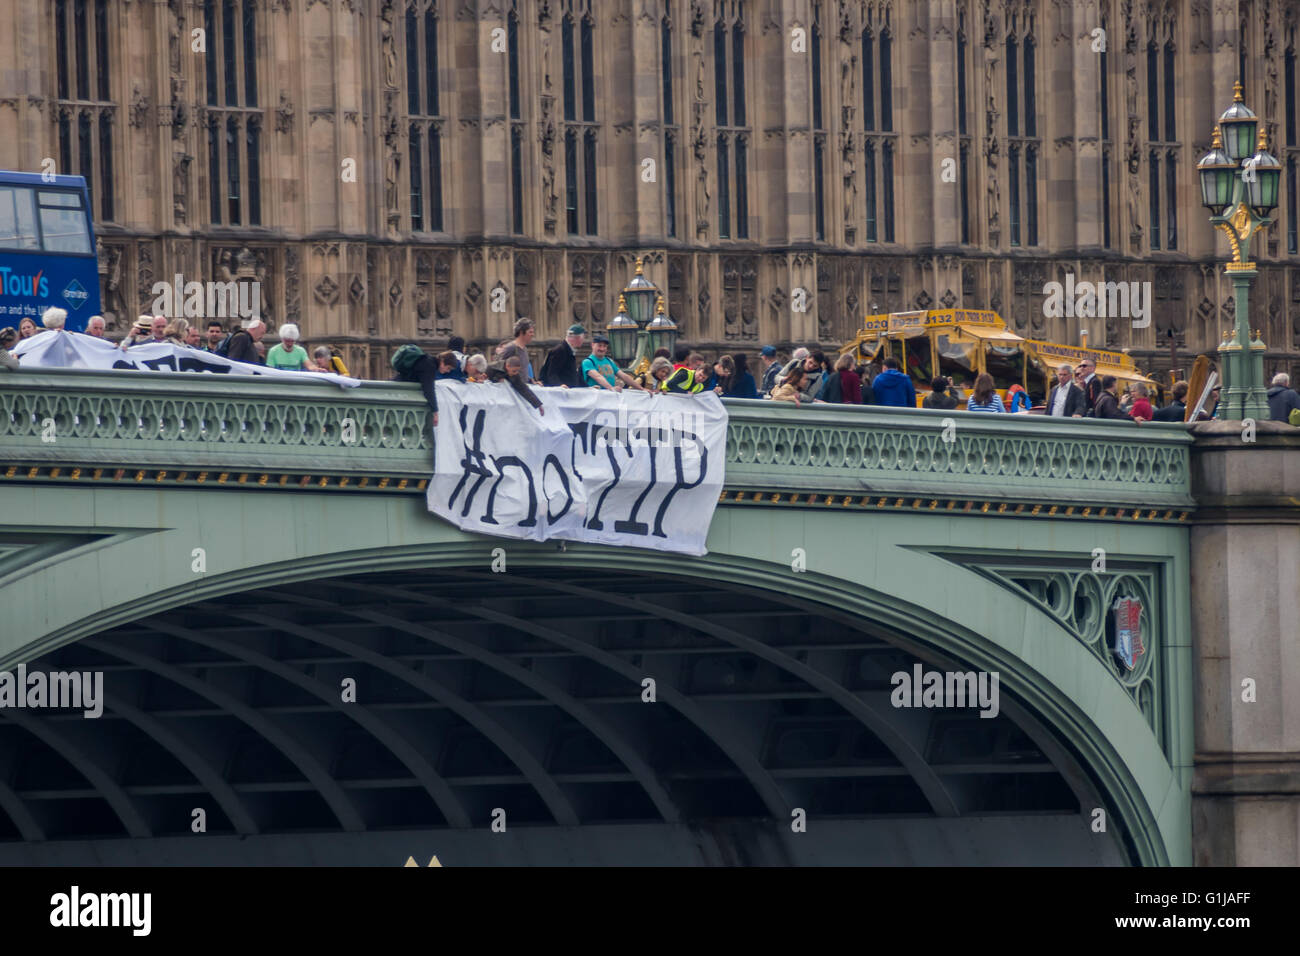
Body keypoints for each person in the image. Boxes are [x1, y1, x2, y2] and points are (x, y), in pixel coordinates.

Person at [392, 346, 440, 424]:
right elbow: (429, 390)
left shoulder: (426, 359)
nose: (446, 371)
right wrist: (435, 411)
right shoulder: (430, 365)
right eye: (448, 368)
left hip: (399, 385)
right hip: (403, 394)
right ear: (443, 362)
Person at [540, 324, 586, 388]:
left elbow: (574, 374)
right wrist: (559, 385)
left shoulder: (569, 351)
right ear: (576, 338)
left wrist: (588, 387)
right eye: (583, 338)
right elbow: (552, 373)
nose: (583, 341)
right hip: (560, 394)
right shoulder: (560, 350)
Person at [498, 318, 538, 383]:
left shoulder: (524, 349)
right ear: (521, 332)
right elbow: (499, 367)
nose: (532, 334)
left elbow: (523, 373)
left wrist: (532, 381)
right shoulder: (511, 348)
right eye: (530, 332)